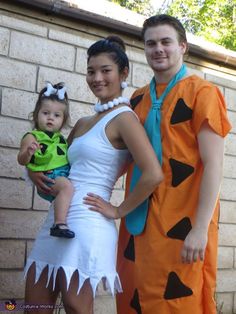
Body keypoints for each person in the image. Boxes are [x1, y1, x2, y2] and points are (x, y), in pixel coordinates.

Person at [85, 15, 232, 314]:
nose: (158, 49)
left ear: (183, 47)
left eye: (166, 42)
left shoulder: (203, 93)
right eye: (151, 43)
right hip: (138, 223)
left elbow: (214, 165)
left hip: (183, 223)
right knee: (133, 294)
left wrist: (201, 228)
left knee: (178, 301)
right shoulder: (136, 99)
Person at [24, 35, 163, 314]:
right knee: (35, 305)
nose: (97, 78)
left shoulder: (124, 118)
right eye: (91, 71)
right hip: (57, 220)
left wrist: (118, 210)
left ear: (123, 73)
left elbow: (153, 173)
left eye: (105, 70)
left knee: (76, 306)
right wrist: (32, 170)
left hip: (88, 223)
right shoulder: (83, 122)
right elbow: (56, 159)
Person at [17, 82, 75, 239]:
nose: (50, 118)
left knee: (69, 189)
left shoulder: (61, 139)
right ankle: (59, 224)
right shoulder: (33, 136)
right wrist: (28, 153)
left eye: (57, 115)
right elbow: (21, 160)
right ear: (36, 114)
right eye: (45, 113)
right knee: (66, 188)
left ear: (63, 120)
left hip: (61, 175)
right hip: (49, 176)